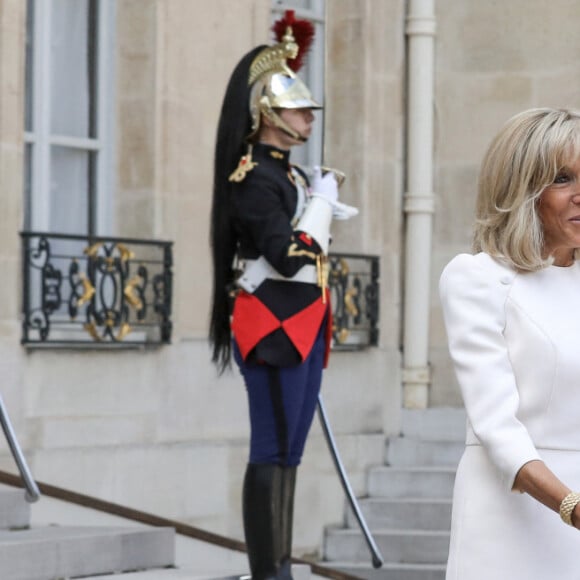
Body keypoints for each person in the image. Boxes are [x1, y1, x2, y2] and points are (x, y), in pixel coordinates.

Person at [209, 11, 357, 580]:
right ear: (268, 116)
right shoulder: (253, 180)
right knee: (271, 447)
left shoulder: (289, 178)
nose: (306, 117)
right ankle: (269, 573)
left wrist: (316, 197)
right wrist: (321, 204)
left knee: (291, 451)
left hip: (303, 322)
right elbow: (288, 254)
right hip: (271, 325)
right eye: (297, 109)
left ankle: (282, 567)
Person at [439, 107, 580, 579]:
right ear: (523, 189)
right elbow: (497, 428)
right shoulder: (478, 279)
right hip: (508, 518)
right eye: (563, 178)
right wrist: (573, 508)